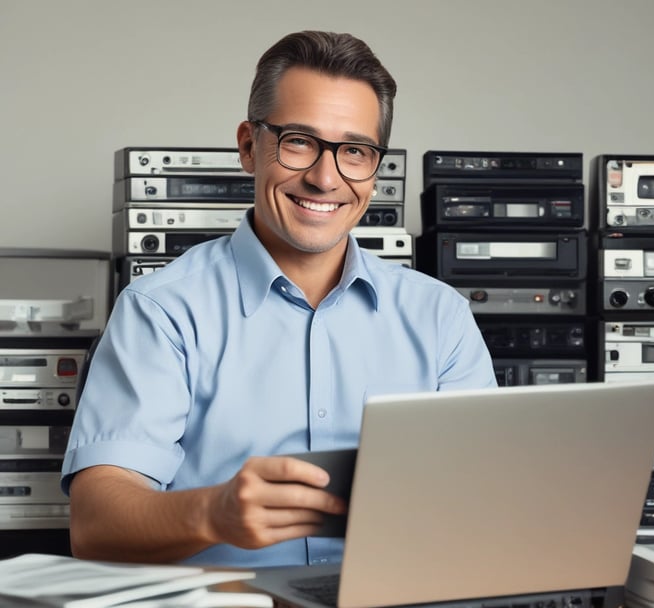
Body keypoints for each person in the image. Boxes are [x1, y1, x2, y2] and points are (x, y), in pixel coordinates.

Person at [61, 30, 496, 568]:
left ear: (375, 168)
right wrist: (213, 513)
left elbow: (484, 502)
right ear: (249, 146)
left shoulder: (441, 317)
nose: (324, 178)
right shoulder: (162, 311)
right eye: (299, 141)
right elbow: (95, 525)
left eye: (354, 151)